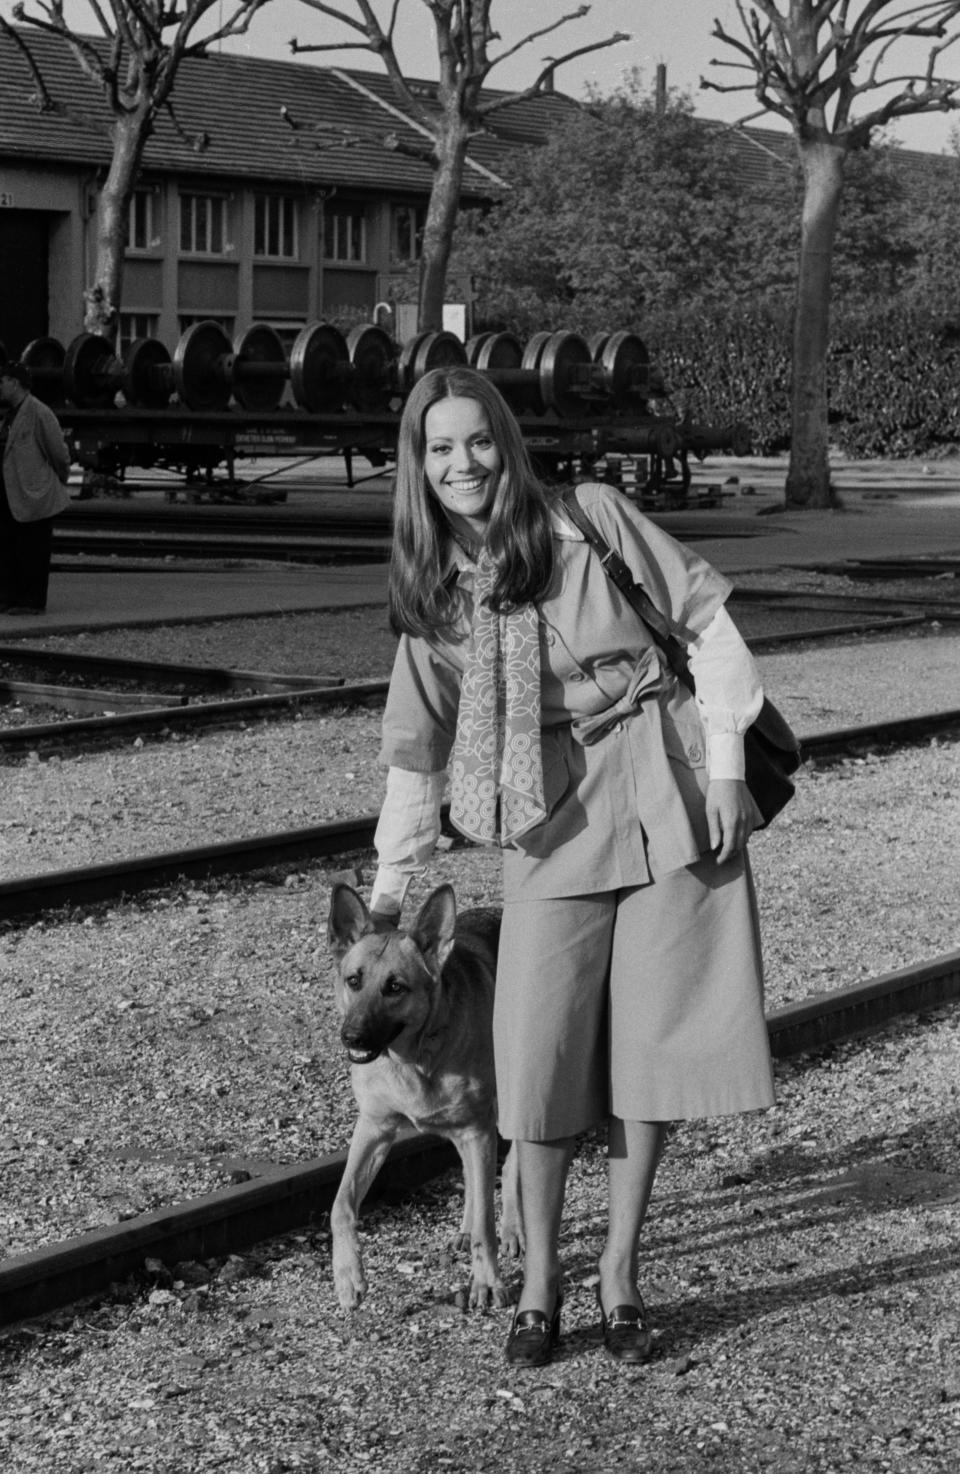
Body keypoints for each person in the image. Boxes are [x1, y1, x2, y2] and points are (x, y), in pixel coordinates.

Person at [368, 365, 774, 1369]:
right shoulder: (432, 593)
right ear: (417, 469)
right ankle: (541, 1281)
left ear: (506, 444)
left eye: (479, 441)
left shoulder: (587, 517)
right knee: (539, 1057)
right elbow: (416, 753)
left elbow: (708, 625)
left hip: (672, 785)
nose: (464, 463)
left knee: (653, 1056)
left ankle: (621, 1272)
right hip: (551, 817)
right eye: (440, 448)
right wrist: (388, 887)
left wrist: (726, 772)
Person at [0, 360, 72, 615]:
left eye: (1, 381)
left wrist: (59, 480)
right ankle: (10, 598)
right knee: (10, 546)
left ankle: (31, 602)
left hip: (33, 492)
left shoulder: (39, 412)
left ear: (15, 383)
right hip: (11, 493)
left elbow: (59, 454)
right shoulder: (8, 413)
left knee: (33, 548)